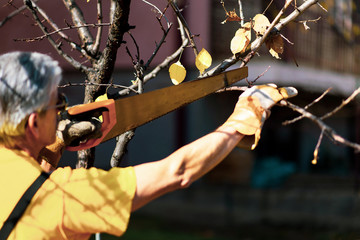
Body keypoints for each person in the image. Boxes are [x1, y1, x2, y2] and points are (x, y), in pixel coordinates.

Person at [0, 51, 297, 239]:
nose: (64, 111)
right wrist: (241, 120)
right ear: (33, 125)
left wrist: (52, 143)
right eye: (58, 104)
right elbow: (177, 172)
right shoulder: (65, 196)